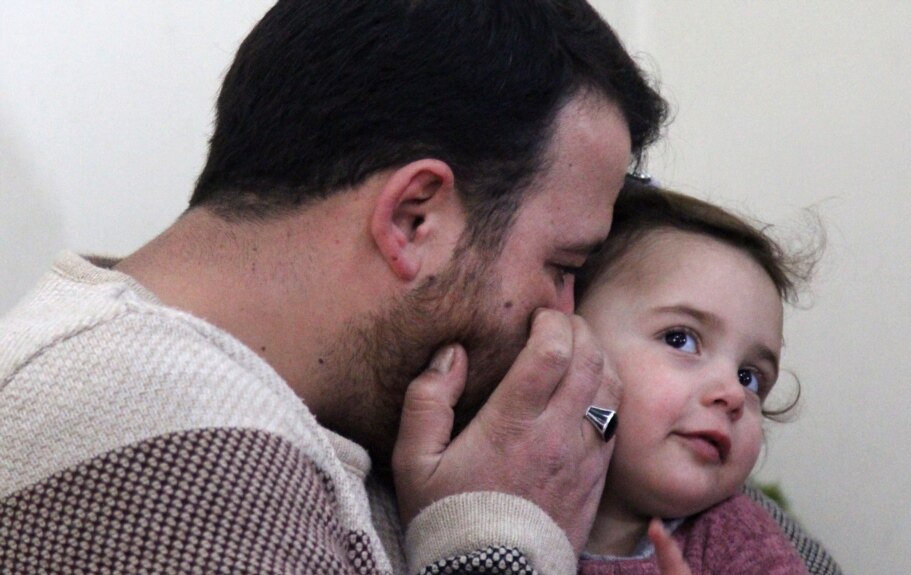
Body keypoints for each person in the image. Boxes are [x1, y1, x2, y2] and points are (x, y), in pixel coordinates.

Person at [0, 1, 668, 573]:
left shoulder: (222, 398)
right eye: (563, 266)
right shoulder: (171, 429)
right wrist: (501, 536)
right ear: (414, 218)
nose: (565, 317)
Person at [574, 179, 829, 575]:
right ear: (568, 334)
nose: (732, 393)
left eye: (750, 378)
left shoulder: (740, 541)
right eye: (681, 339)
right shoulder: (484, 490)